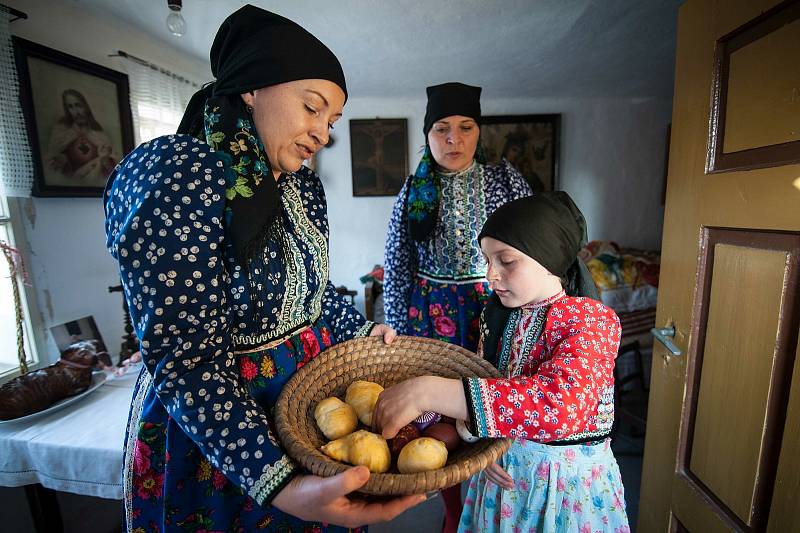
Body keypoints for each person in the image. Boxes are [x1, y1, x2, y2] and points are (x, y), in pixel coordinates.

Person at [103, 6, 424, 532]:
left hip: (307, 406)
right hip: (223, 432)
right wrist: (283, 482)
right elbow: (186, 356)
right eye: (312, 107)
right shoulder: (179, 176)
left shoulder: (300, 188)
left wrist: (366, 332)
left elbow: (312, 295)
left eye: (332, 121)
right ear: (252, 88)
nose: (322, 132)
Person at [374, 193, 630, 532]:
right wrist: (482, 442)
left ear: (549, 258)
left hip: (561, 492)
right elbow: (489, 384)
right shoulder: (497, 318)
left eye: (506, 261)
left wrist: (430, 392)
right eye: (487, 260)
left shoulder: (591, 322)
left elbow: (561, 406)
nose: (490, 275)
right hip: (501, 485)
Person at [382, 82, 532, 532]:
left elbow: (531, 252)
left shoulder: (506, 180)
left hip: (495, 310)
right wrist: (395, 332)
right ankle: (451, 512)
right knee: (438, 422)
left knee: (493, 406)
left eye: (465, 127)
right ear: (426, 136)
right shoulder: (414, 190)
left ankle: (494, 507)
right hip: (430, 317)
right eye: (442, 129)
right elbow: (396, 265)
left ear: (478, 131)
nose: (454, 139)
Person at [46, 89, 118, 182]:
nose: (76, 112)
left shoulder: (100, 135)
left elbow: (113, 172)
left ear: (86, 107)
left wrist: (104, 159)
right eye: (70, 107)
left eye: (78, 106)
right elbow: (51, 167)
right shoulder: (61, 132)